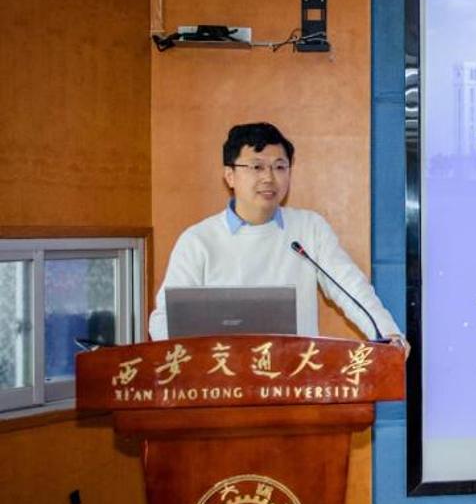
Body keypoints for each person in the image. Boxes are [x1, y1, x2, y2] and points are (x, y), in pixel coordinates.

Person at [148, 122, 408, 355]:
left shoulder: (309, 228)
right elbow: (163, 322)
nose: (269, 178)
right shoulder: (198, 240)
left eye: (280, 167)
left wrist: (387, 333)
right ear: (230, 176)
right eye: (257, 167)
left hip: (296, 377)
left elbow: (350, 288)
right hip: (223, 378)